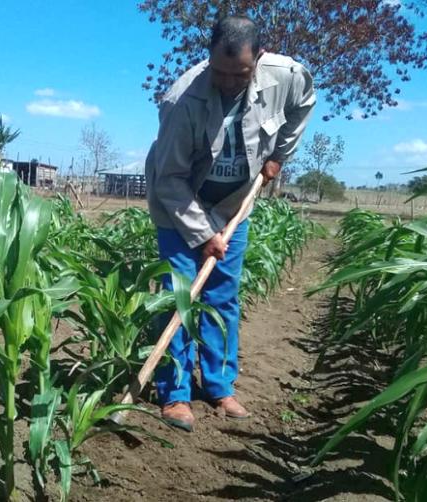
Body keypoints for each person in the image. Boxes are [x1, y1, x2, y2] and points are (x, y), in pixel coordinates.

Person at [145, 15, 315, 431]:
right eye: (218, 72)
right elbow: (170, 179)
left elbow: (304, 104)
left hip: (234, 204)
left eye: (237, 74)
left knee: (223, 295)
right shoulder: (183, 99)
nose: (225, 82)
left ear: (257, 59)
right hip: (179, 204)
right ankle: (175, 395)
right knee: (179, 295)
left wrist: (279, 157)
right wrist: (203, 236)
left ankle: (220, 386)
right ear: (208, 59)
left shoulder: (287, 77)